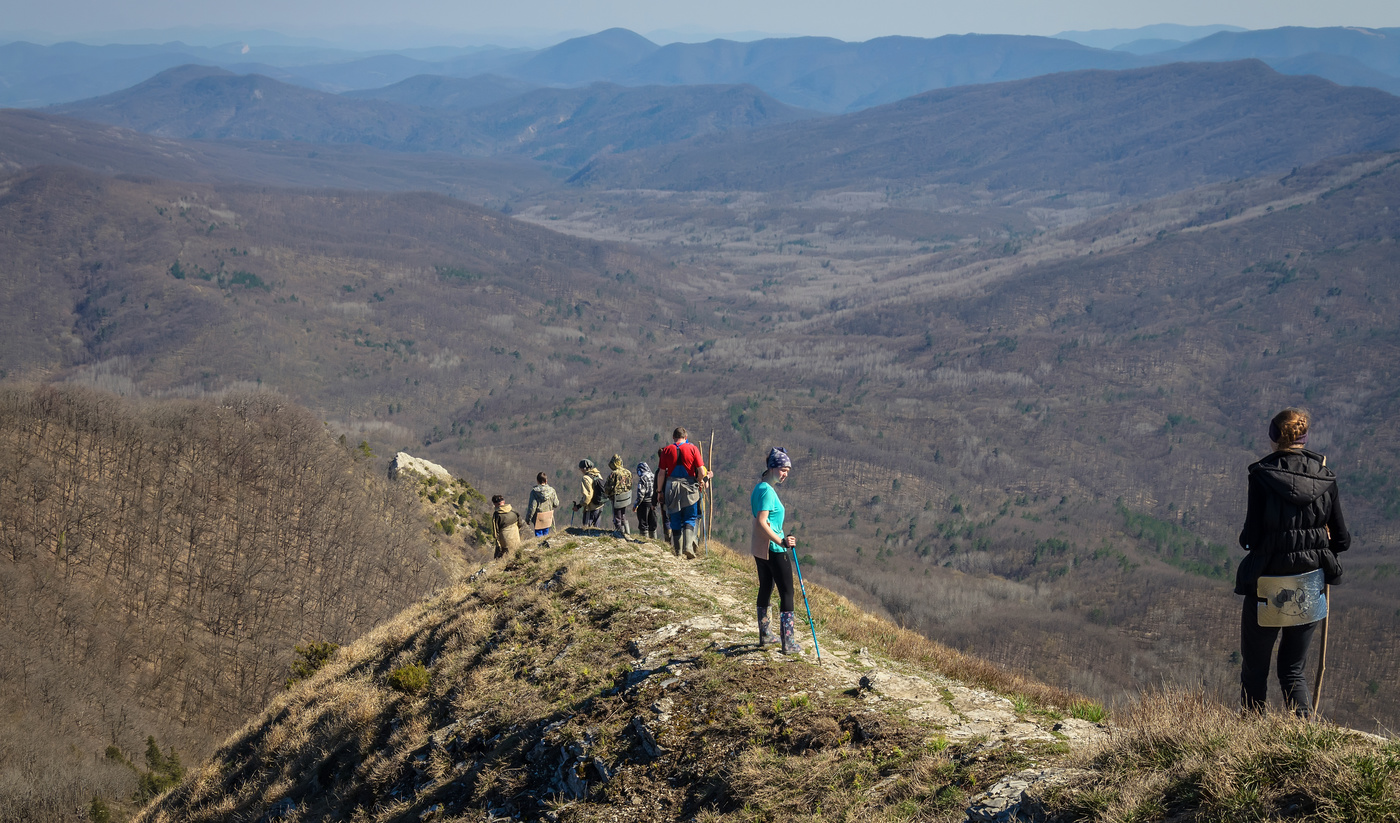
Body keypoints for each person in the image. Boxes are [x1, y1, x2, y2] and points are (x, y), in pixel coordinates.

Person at [1236, 407, 1350, 717]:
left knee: (1255, 672)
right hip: (1309, 584)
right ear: (1304, 438)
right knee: (1293, 671)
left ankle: (1249, 738)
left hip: (1269, 585)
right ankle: (1304, 736)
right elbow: (1342, 540)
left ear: (1273, 438)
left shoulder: (1262, 476)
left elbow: (1251, 538)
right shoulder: (1325, 477)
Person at [752, 447, 800, 654]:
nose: (785, 474)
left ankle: (765, 635)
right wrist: (781, 540)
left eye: (787, 470)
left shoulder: (759, 488)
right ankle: (788, 643)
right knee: (787, 592)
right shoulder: (767, 491)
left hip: (760, 547)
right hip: (773, 548)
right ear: (772, 468)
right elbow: (763, 522)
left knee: (766, 588)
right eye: (782, 469)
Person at [658, 427, 708, 559]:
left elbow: (662, 473)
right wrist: (700, 480)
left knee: (674, 517)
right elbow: (702, 471)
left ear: (674, 438)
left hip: (671, 486)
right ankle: (688, 547)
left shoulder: (666, 450)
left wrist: (659, 491)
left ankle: (678, 552)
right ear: (685, 437)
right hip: (689, 485)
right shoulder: (692, 449)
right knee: (690, 516)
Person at [604, 454, 634, 536]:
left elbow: (607, 487)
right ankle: (627, 532)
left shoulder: (614, 474)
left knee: (617, 516)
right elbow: (630, 484)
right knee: (623, 514)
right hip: (626, 497)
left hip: (617, 497)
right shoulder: (628, 472)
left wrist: (607, 494)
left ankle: (619, 533)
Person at [573, 459, 605, 531]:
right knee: (597, 530)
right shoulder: (597, 474)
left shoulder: (586, 478)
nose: (580, 470)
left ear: (584, 468)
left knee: (587, 529)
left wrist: (579, 506)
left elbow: (587, 497)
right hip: (600, 505)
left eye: (581, 468)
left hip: (591, 508)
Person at [525, 472, 560, 539]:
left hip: (538, 517)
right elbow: (556, 504)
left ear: (537, 481)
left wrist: (528, 519)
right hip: (548, 516)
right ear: (546, 481)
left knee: (539, 538)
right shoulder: (552, 491)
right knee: (546, 536)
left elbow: (532, 507)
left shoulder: (534, 492)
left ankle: (540, 548)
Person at [490, 494, 522, 559]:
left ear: (495, 504)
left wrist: (497, 539)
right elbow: (520, 523)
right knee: (516, 550)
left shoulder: (497, 514)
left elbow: (495, 529)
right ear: (503, 501)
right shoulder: (513, 510)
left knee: (502, 554)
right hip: (515, 535)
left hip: (505, 538)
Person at [634, 460, 658, 539]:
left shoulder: (643, 478)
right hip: (653, 502)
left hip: (644, 503)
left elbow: (641, 494)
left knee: (643, 524)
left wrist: (636, 505)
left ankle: (644, 540)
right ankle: (654, 541)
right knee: (652, 523)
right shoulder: (654, 476)